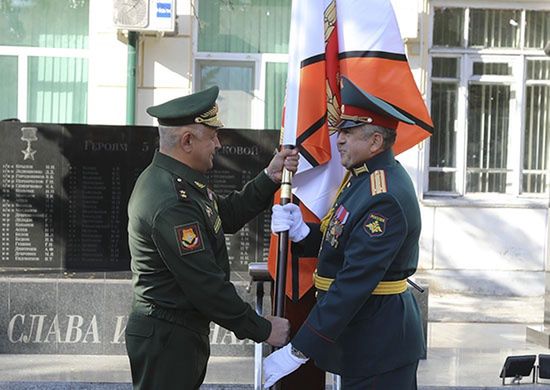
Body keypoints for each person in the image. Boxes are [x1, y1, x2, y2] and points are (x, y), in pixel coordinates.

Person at [125, 86, 297, 390]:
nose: (218, 144)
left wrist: (270, 176)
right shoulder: (169, 200)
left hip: (178, 332)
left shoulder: (181, 183)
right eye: (212, 136)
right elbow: (205, 284)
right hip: (167, 337)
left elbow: (224, 215)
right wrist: (262, 328)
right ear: (187, 140)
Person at [264, 77, 426, 390]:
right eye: (340, 131)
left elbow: (353, 282)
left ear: (376, 142)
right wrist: (302, 233)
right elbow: (338, 239)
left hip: (380, 342)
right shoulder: (361, 179)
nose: (338, 140)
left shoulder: (384, 195)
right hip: (365, 338)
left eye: (348, 133)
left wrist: (298, 351)